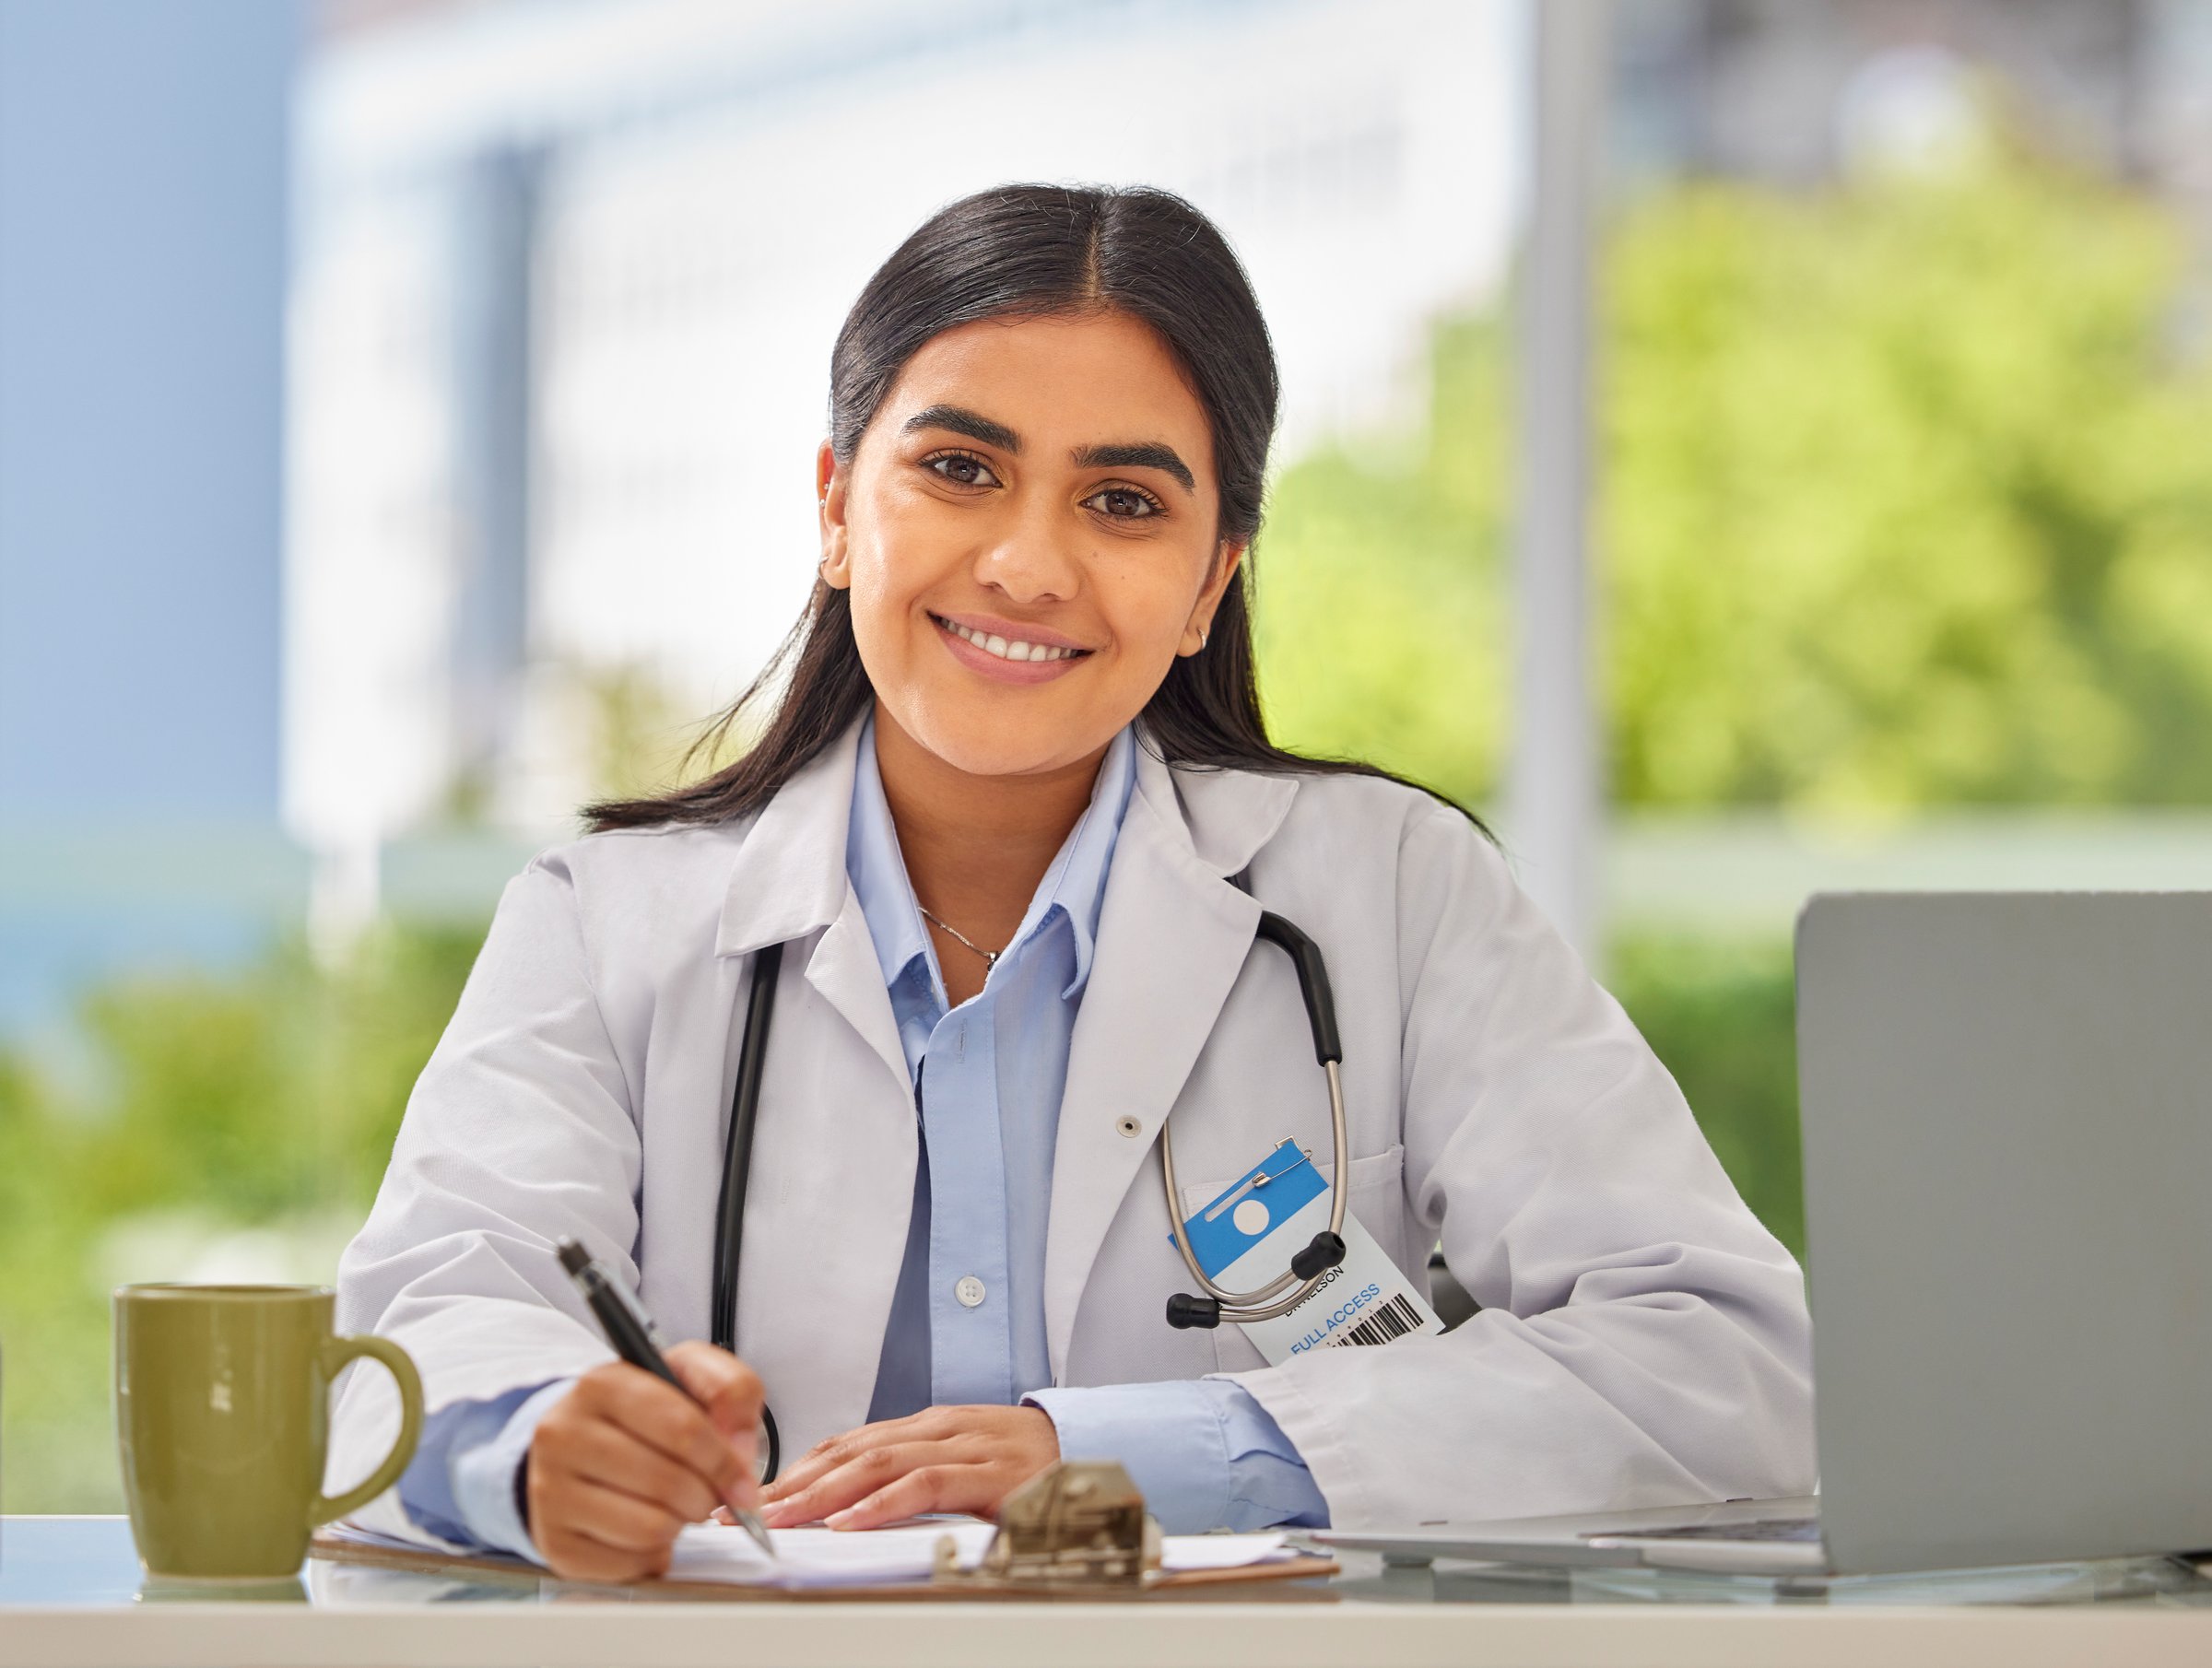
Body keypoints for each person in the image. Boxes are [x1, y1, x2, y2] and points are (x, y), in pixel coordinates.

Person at [331, 183, 1815, 1583]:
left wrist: (1111, 1456)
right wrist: (533, 1451)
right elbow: (407, 1344)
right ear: (841, 507)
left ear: (1210, 583)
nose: (1029, 564)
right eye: (959, 469)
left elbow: (1726, 1363)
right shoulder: (606, 920)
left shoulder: (1396, 893)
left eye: (1122, 502)